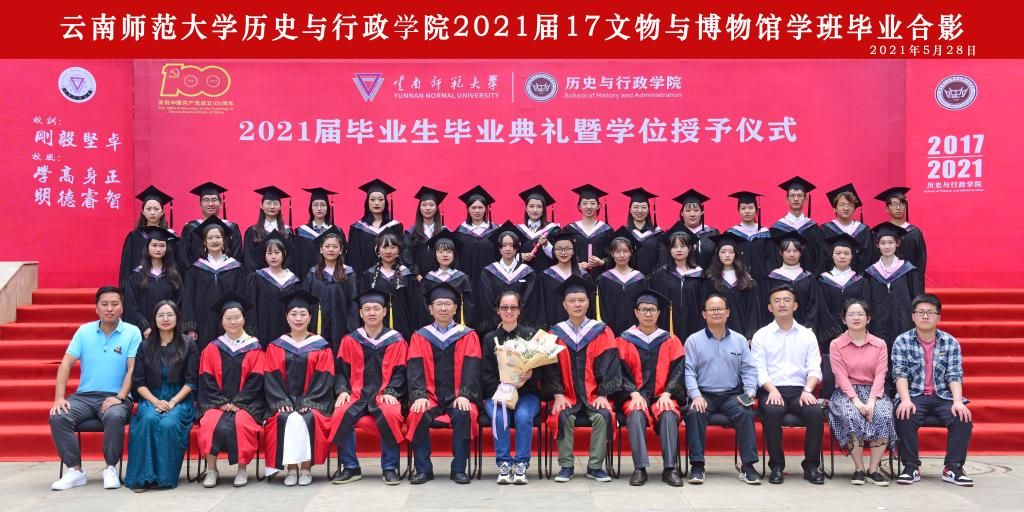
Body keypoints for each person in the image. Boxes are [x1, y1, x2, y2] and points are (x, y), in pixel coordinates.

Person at [49, 286, 142, 491]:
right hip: (84, 396)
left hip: (116, 396)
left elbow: (133, 368)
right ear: (96, 308)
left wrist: (120, 397)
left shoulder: (132, 332)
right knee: (58, 416)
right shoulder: (84, 331)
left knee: (114, 415)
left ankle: (110, 468)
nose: (110, 308)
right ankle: (75, 470)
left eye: (114, 304)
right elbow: (65, 364)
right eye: (104, 304)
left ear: (122, 308)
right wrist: (59, 398)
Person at [892, 294, 974, 487]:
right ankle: (910, 466)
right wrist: (905, 399)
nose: (925, 316)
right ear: (913, 316)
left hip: (942, 395)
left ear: (939, 317)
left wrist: (957, 401)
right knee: (904, 414)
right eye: (920, 312)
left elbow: (954, 374)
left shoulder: (950, 342)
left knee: (962, 417)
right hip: (914, 394)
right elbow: (899, 373)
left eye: (930, 312)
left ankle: (953, 467)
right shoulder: (902, 341)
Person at [406, 282, 483, 485]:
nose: (443, 308)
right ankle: (423, 469)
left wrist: (465, 394)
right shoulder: (419, 336)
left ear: (455, 308)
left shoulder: (468, 335)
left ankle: (459, 469)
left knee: (465, 413)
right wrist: (419, 395)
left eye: (448, 304)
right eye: (438, 304)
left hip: (458, 394)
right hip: (429, 395)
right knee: (417, 413)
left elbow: (472, 367)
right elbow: (414, 368)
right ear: (430, 309)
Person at [547, 275, 622, 483]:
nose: (577, 304)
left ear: (588, 303)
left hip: (594, 394)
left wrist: (604, 394)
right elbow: (549, 367)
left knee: (604, 416)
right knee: (562, 416)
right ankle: (566, 466)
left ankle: (595, 467)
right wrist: (558, 394)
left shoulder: (601, 331)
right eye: (572, 301)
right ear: (564, 305)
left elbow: (610, 363)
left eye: (581, 300)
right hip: (567, 394)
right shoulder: (554, 333)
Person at [330, 290, 407, 486]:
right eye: (367, 309)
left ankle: (390, 467)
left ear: (384, 312)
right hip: (356, 393)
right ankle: (350, 467)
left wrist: (391, 391)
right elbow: (341, 371)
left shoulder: (397, 340)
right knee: (340, 413)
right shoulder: (350, 340)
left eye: (376, 308)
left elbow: (401, 372)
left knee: (390, 413)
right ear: (361, 313)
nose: (372, 313)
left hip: (383, 394)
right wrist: (343, 390)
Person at [751, 284, 825, 485]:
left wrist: (808, 390)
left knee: (815, 412)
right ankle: (776, 465)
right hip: (772, 389)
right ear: (770, 307)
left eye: (786, 300)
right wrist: (772, 390)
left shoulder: (807, 335)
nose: (782, 304)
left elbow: (814, 369)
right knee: (772, 411)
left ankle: (811, 465)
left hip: (801, 390)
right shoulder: (761, 335)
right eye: (777, 301)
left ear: (795, 305)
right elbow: (759, 369)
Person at [683, 294, 760, 485]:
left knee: (746, 412)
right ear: (704, 314)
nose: (716, 313)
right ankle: (697, 466)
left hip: (732, 394)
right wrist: (696, 395)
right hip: (704, 394)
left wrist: (750, 392)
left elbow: (749, 369)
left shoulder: (740, 340)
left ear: (728, 313)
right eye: (712, 309)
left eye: (720, 309)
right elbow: (688, 372)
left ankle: (748, 466)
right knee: (694, 413)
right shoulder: (693, 340)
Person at [481, 291, 556, 485]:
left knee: (523, 416)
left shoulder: (531, 336)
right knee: (499, 416)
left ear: (519, 310)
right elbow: (486, 372)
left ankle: (522, 463)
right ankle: (504, 464)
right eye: (504, 307)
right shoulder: (490, 338)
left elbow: (542, 369)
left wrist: (531, 375)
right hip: (498, 394)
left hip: (526, 394)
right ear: (498, 311)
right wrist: (502, 386)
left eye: (513, 307)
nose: (509, 311)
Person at [263, 290, 336, 486]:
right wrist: (282, 401)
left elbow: (325, 378)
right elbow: (271, 378)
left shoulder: (321, 346)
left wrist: (310, 402)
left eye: (303, 314)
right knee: (283, 417)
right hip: (284, 400)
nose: (298, 318)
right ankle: (291, 469)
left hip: (313, 401)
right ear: (286, 317)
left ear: (310, 317)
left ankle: (305, 468)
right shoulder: (276, 346)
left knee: (309, 416)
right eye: (293, 314)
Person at [615, 290, 686, 487]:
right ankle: (640, 468)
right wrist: (633, 393)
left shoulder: (671, 340)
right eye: (644, 310)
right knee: (635, 413)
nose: (648, 314)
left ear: (659, 313)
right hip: (634, 395)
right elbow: (618, 372)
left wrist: (668, 393)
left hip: (663, 395)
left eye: (652, 310)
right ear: (636, 312)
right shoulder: (624, 340)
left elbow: (679, 370)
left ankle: (670, 468)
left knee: (669, 413)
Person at [125, 300, 198, 491]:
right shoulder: (145, 346)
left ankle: (164, 478)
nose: (166, 319)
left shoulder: (188, 344)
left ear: (177, 318)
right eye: (161, 315)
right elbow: (138, 382)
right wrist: (156, 401)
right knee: (148, 419)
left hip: (179, 399)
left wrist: (172, 402)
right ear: (154, 319)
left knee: (168, 424)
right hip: (152, 398)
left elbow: (191, 381)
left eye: (170, 314)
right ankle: (143, 478)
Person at [196, 292, 265, 488]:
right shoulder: (212, 348)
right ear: (222, 321)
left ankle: (242, 470)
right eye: (228, 318)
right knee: (209, 422)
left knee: (242, 423)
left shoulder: (254, 348)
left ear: (244, 319)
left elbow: (256, 381)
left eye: (237, 317)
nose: (233, 322)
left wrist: (238, 403)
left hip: (246, 405)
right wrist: (222, 403)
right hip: (216, 404)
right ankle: (212, 469)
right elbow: (206, 380)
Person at [828, 299, 894, 486]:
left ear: (868, 318)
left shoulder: (879, 344)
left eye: (860, 314)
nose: (855, 318)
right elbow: (840, 375)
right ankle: (858, 468)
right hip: (846, 392)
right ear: (844, 319)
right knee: (850, 414)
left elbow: (881, 373)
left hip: (874, 390)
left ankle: (873, 469)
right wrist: (857, 401)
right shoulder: (836, 344)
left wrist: (872, 400)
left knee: (883, 413)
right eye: (851, 314)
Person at [181, 216, 247, 349]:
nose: (214, 241)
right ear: (204, 242)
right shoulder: (195, 269)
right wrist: (190, 327)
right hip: (202, 322)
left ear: (224, 240)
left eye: (218, 237)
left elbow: (241, 296)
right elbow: (188, 299)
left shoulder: (235, 268)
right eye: (210, 238)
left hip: (229, 322)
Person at [865, 222, 923, 352]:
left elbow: (916, 297)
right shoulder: (871, 272)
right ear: (877, 245)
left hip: (903, 322)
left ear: (897, 243)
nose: (887, 246)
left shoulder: (907, 270)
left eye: (890, 242)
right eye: (883, 243)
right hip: (878, 324)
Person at [302, 226, 358, 352]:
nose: (331, 249)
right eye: (327, 246)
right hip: (317, 323)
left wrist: (352, 327)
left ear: (341, 250)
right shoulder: (313, 273)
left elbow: (354, 303)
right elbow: (305, 302)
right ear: (321, 249)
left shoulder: (349, 273)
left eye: (335, 246)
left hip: (342, 324)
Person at [477, 222, 540, 332]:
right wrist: (500, 322)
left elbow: (529, 301)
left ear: (517, 248)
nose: (508, 249)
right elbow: (486, 301)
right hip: (496, 328)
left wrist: (516, 322)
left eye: (512, 245)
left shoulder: (528, 273)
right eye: (504, 245)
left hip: (521, 327)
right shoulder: (488, 272)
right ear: (499, 248)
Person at [122, 226, 182, 338]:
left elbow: (179, 302)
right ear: (147, 247)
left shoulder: (174, 276)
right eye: (154, 245)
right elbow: (131, 305)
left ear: (167, 248)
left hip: (168, 330)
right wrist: (144, 327)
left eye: (162, 245)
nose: (158, 249)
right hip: (143, 332)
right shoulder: (137, 276)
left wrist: (168, 324)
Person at [703, 231, 765, 340]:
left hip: (742, 335)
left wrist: (750, 336)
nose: (727, 255)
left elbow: (753, 311)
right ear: (718, 254)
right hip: (716, 335)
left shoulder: (747, 281)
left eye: (731, 252)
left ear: (736, 254)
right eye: (723, 252)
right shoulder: (710, 280)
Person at [360, 232, 422, 340]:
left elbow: (414, 307)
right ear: (378, 250)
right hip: (375, 328)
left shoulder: (407, 275)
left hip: (403, 326)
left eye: (393, 247)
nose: (388, 251)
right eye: (384, 247)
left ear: (398, 251)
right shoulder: (369, 275)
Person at [817, 233, 870, 351]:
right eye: (838, 253)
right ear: (832, 255)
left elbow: (865, 307)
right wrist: (835, 331)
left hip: (856, 332)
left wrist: (853, 328)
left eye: (846, 253)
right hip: (829, 334)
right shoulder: (823, 280)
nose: (842, 256)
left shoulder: (861, 281)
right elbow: (822, 308)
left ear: (852, 256)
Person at [764, 229, 824, 335]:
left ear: (800, 253)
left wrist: (807, 327)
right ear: (781, 253)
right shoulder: (773, 278)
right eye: (787, 251)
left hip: (804, 331)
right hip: (778, 330)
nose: (792, 254)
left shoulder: (808, 278)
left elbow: (814, 306)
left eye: (795, 251)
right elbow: (769, 305)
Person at [246, 231, 301, 346]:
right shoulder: (257, 278)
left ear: (284, 254)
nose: (273, 257)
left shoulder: (293, 281)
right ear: (265, 256)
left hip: (288, 333)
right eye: (269, 253)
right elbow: (251, 310)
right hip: (263, 332)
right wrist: (252, 335)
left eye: (277, 252)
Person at [176, 182, 243, 275]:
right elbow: (183, 258)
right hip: (196, 279)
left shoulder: (231, 228)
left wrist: (226, 277)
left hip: (226, 279)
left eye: (214, 200)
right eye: (206, 200)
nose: (210, 203)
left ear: (221, 203)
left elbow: (236, 257)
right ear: (200, 204)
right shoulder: (190, 228)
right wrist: (193, 276)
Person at [649, 229, 705, 339]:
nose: (679, 250)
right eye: (674, 247)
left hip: (693, 322)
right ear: (669, 249)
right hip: (667, 324)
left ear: (689, 248)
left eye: (682, 246)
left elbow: (702, 301)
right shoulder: (662, 273)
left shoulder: (699, 274)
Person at [119, 186, 176, 285]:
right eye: (148, 209)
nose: (152, 212)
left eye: (156, 209)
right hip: (138, 284)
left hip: (164, 285)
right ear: (143, 211)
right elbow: (126, 267)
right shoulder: (134, 236)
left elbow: (175, 264)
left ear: (162, 211)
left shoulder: (170, 236)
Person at [595, 229, 648, 335]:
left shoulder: (640, 279)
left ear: (631, 253)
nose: (622, 255)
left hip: (636, 333)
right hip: (610, 333)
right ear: (612, 254)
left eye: (625, 251)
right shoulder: (603, 279)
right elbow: (600, 309)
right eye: (617, 251)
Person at [536, 230, 593, 329]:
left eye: (567, 249)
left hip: (581, 330)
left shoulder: (584, 276)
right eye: (559, 249)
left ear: (573, 251)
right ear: (554, 251)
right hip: (553, 329)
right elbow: (540, 307)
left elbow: (591, 307)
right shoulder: (545, 276)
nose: (563, 252)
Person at [420, 227, 476, 329]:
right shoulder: (428, 279)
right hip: (434, 329)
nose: (445, 255)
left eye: (449, 251)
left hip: (457, 328)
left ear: (454, 254)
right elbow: (424, 306)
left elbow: (468, 306)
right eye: (440, 252)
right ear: (435, 255)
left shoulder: (462, 278)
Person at [348, 179, 405, 276]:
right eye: (372, 199)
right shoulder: (357, 228)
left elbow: (401, 255)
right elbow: (354, 259)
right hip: (364, 278)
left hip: (391, 278)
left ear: (385, 202)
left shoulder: (395, 227)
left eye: (381, 199)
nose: (377, 203)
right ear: (367, 202)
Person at [771, 177, 823, 274]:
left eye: (799, 195)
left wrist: (813, 279)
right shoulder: (777, 229)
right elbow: (773, 258)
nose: (796, 199)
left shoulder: (813, 228)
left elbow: (819, 259)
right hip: (783, 279)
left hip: (809, 279)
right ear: (787, 200)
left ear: (805, 199)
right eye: (792, 195)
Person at [873, 186, 927, 278]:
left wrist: (916, 284)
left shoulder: (915, 233)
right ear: (887, 208)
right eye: (894, 204)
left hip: (910, 282)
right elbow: (874, 261)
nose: (898, 207)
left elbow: (920, 264)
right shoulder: (879, 233)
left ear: (905, 206)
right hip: (884, 282)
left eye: (902, 204)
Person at [455, 185, 499, 293]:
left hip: (491, 279)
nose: (477, 211)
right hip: (467, 279)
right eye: (473, 207)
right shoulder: (459, 232)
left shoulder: (495, 231)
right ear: (468, 209)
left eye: (480, 207)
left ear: (486, 209)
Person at [562, 184, 614, 275]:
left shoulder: (607, 230)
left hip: (600, 277)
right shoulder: (569, 230)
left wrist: (602, 262)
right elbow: (561, 253)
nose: (588, 206)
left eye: (592, 203)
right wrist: (574, 264)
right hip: (575, 276)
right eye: (585, 203)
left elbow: (614, 254)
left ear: (598, 206)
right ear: (579, 206)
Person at [821, 183, 873, 273]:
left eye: (850, 205)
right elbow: (823, 257)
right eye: (842, 205)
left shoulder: (864, 230)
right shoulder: (825, 230)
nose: (846, 208)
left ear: (854, 208)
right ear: (834, 208)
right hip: (832, 277)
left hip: (858, 278)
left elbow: (868, 257)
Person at [242, 186, 293, 274]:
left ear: (280, 206)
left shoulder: (287, 232)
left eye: (275, 204)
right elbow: (249, 260)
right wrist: (261, 276)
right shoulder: (252, 232)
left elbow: (290, 258)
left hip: (282, 278)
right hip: (258, 278)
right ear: (261, 206)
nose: (272, 207)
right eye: (268, 203)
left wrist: (281, 275)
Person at [723, 191, 772, 281]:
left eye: (751, 208)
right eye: (743, 208)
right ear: (738, 210)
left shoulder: (765, 233)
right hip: (737, 281)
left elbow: (770, 260)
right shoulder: (731, 234)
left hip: (762, 281)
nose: (747, 211)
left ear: (756, 210)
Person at [665, 189, 718, 271]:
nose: (692, 214)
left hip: (708, 277)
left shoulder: (713, 234)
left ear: (702, 212)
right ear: (682, 213)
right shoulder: (673, 234)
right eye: (688, 210)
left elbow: (717, 261)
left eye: (696, 210)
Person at [292, 187, 339, 279]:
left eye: (323, 205)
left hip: (332, 282)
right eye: (315, 205)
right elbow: (297, 261)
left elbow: (342, 259)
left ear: (328, 207)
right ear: (311, 207)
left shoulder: (336, 231)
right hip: (307, 280)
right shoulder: (301, 232)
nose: (319, 208)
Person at [619, 188, 665, 275]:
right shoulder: (623, 233)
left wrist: (653, 277)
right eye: (636, 207)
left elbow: (663, 260)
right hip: (629, 279)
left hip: (654, 280)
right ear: (630, 210)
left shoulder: (659, 234)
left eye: (643, 207)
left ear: (648, 210)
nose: (640, 211)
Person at [404, 186, 448, 277]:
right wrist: (416, 275)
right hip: (417, 279)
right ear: (419, 208)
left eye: (431, 205)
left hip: (440, 278)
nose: (428, 208)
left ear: (436, 208)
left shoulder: (444, 232)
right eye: (424, 205)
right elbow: (406, 257)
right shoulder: (411, 233)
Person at [515, 185, 560, 273]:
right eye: (531, 206)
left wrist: (546, 245)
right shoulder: (517, 230)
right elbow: (508, 254)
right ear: (526, 209)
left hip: (545, 275)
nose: (535, 210)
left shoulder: (553, 229)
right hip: (523, 276)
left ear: (543, 209)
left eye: (539, 206)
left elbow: (558, 256)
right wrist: (520, 256)